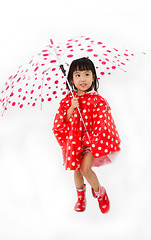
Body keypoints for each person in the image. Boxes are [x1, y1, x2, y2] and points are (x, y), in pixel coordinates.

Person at [52, 57, 121, 213]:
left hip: (91, 142)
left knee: (85, 169)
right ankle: (81, 197)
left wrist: (94, 137)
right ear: (71, 79)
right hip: (74, 142)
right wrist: (71, 108)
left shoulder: (98, 101)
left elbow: (104, 121)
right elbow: (60, 123)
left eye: (86, 74)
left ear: (93, 77)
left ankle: (99, 192)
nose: (82, 79)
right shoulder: (68, 100)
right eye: (77, 75)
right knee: (76, 170)